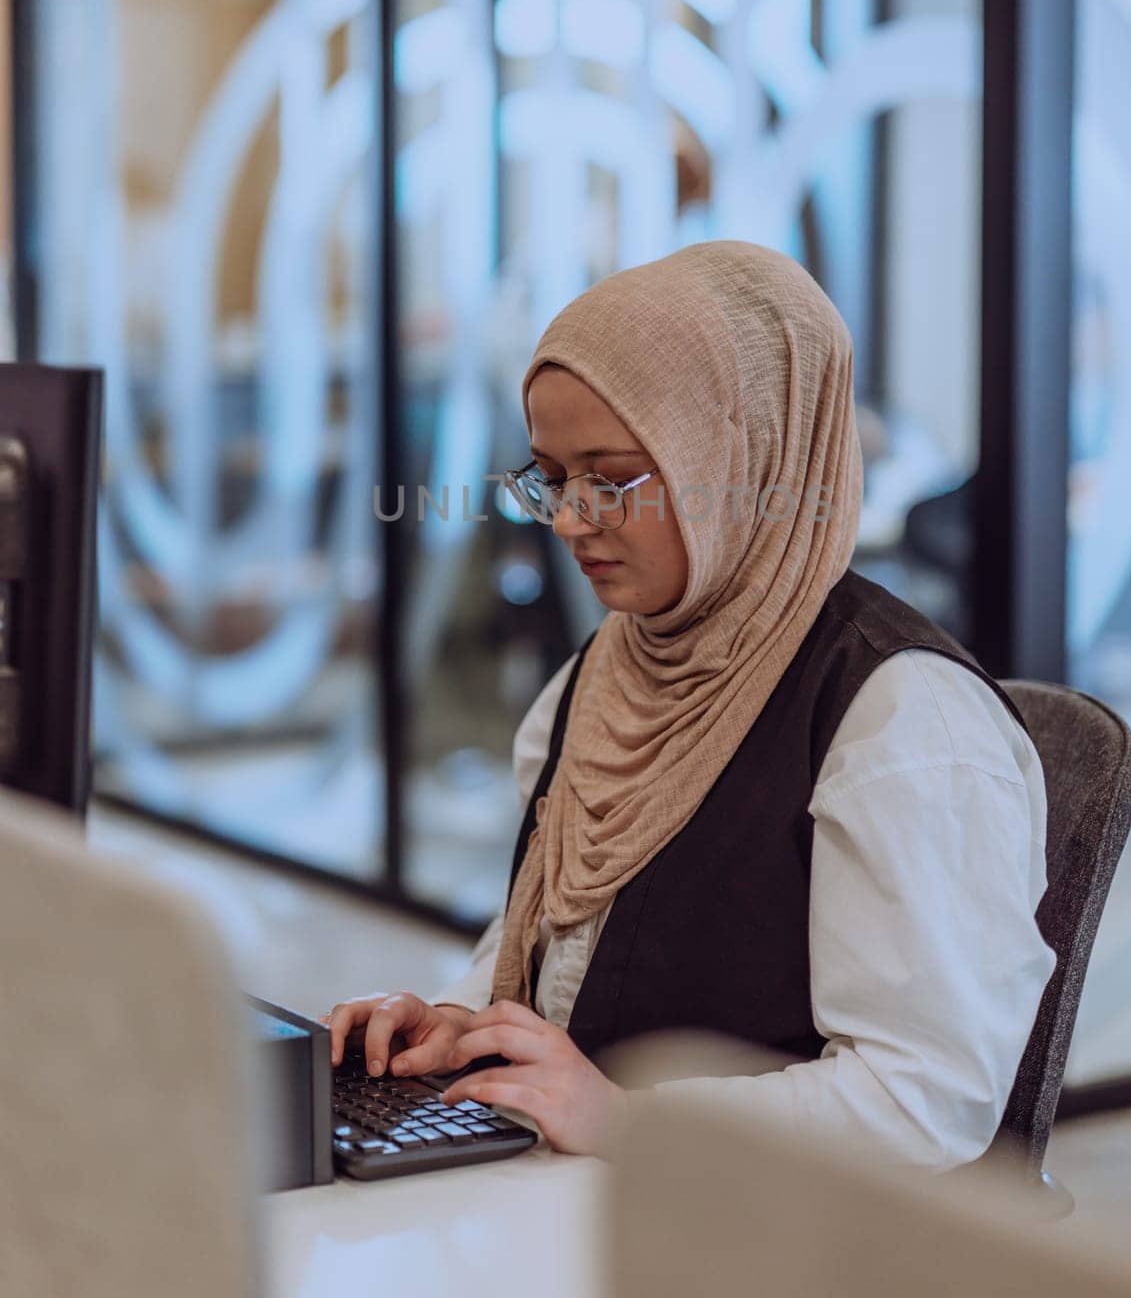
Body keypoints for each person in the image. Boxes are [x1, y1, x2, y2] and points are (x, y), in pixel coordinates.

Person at [322, 239, 1056, 1171]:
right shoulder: (611, 669)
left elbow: (927, 1100)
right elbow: (564, 935)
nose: (568, 521)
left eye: (611, 478)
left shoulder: (899, 725)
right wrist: (467, 1023)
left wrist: (632, 1120)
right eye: (549, 476)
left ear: (744, 457)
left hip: (776, 1237)